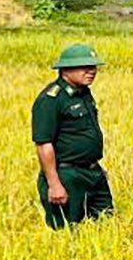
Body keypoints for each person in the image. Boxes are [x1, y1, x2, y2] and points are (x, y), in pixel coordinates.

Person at [32, 43, 112, 230]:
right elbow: (44, 144)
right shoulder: (51, 99)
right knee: (68, 231)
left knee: (106, 224)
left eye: (93, 67)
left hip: (93, 173)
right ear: (66, 70)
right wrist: (54, 184)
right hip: (67, 176)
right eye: (85, 67)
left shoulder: (84, 93)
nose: (91, 71)